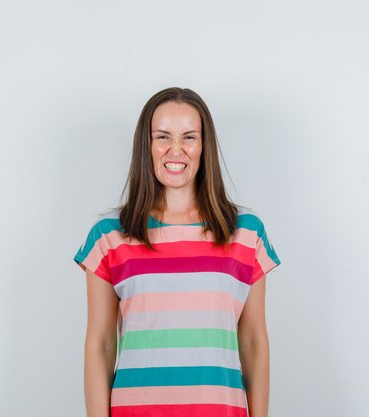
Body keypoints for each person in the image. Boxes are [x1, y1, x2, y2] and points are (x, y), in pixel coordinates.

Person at [73, 87, 281, 417]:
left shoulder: (246, 232)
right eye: (162, 137)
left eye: (188, 137)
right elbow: (100, 345)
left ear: (204, 146)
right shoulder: (109, 236)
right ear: (147, 146)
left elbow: (254, 340)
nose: (176, 149)